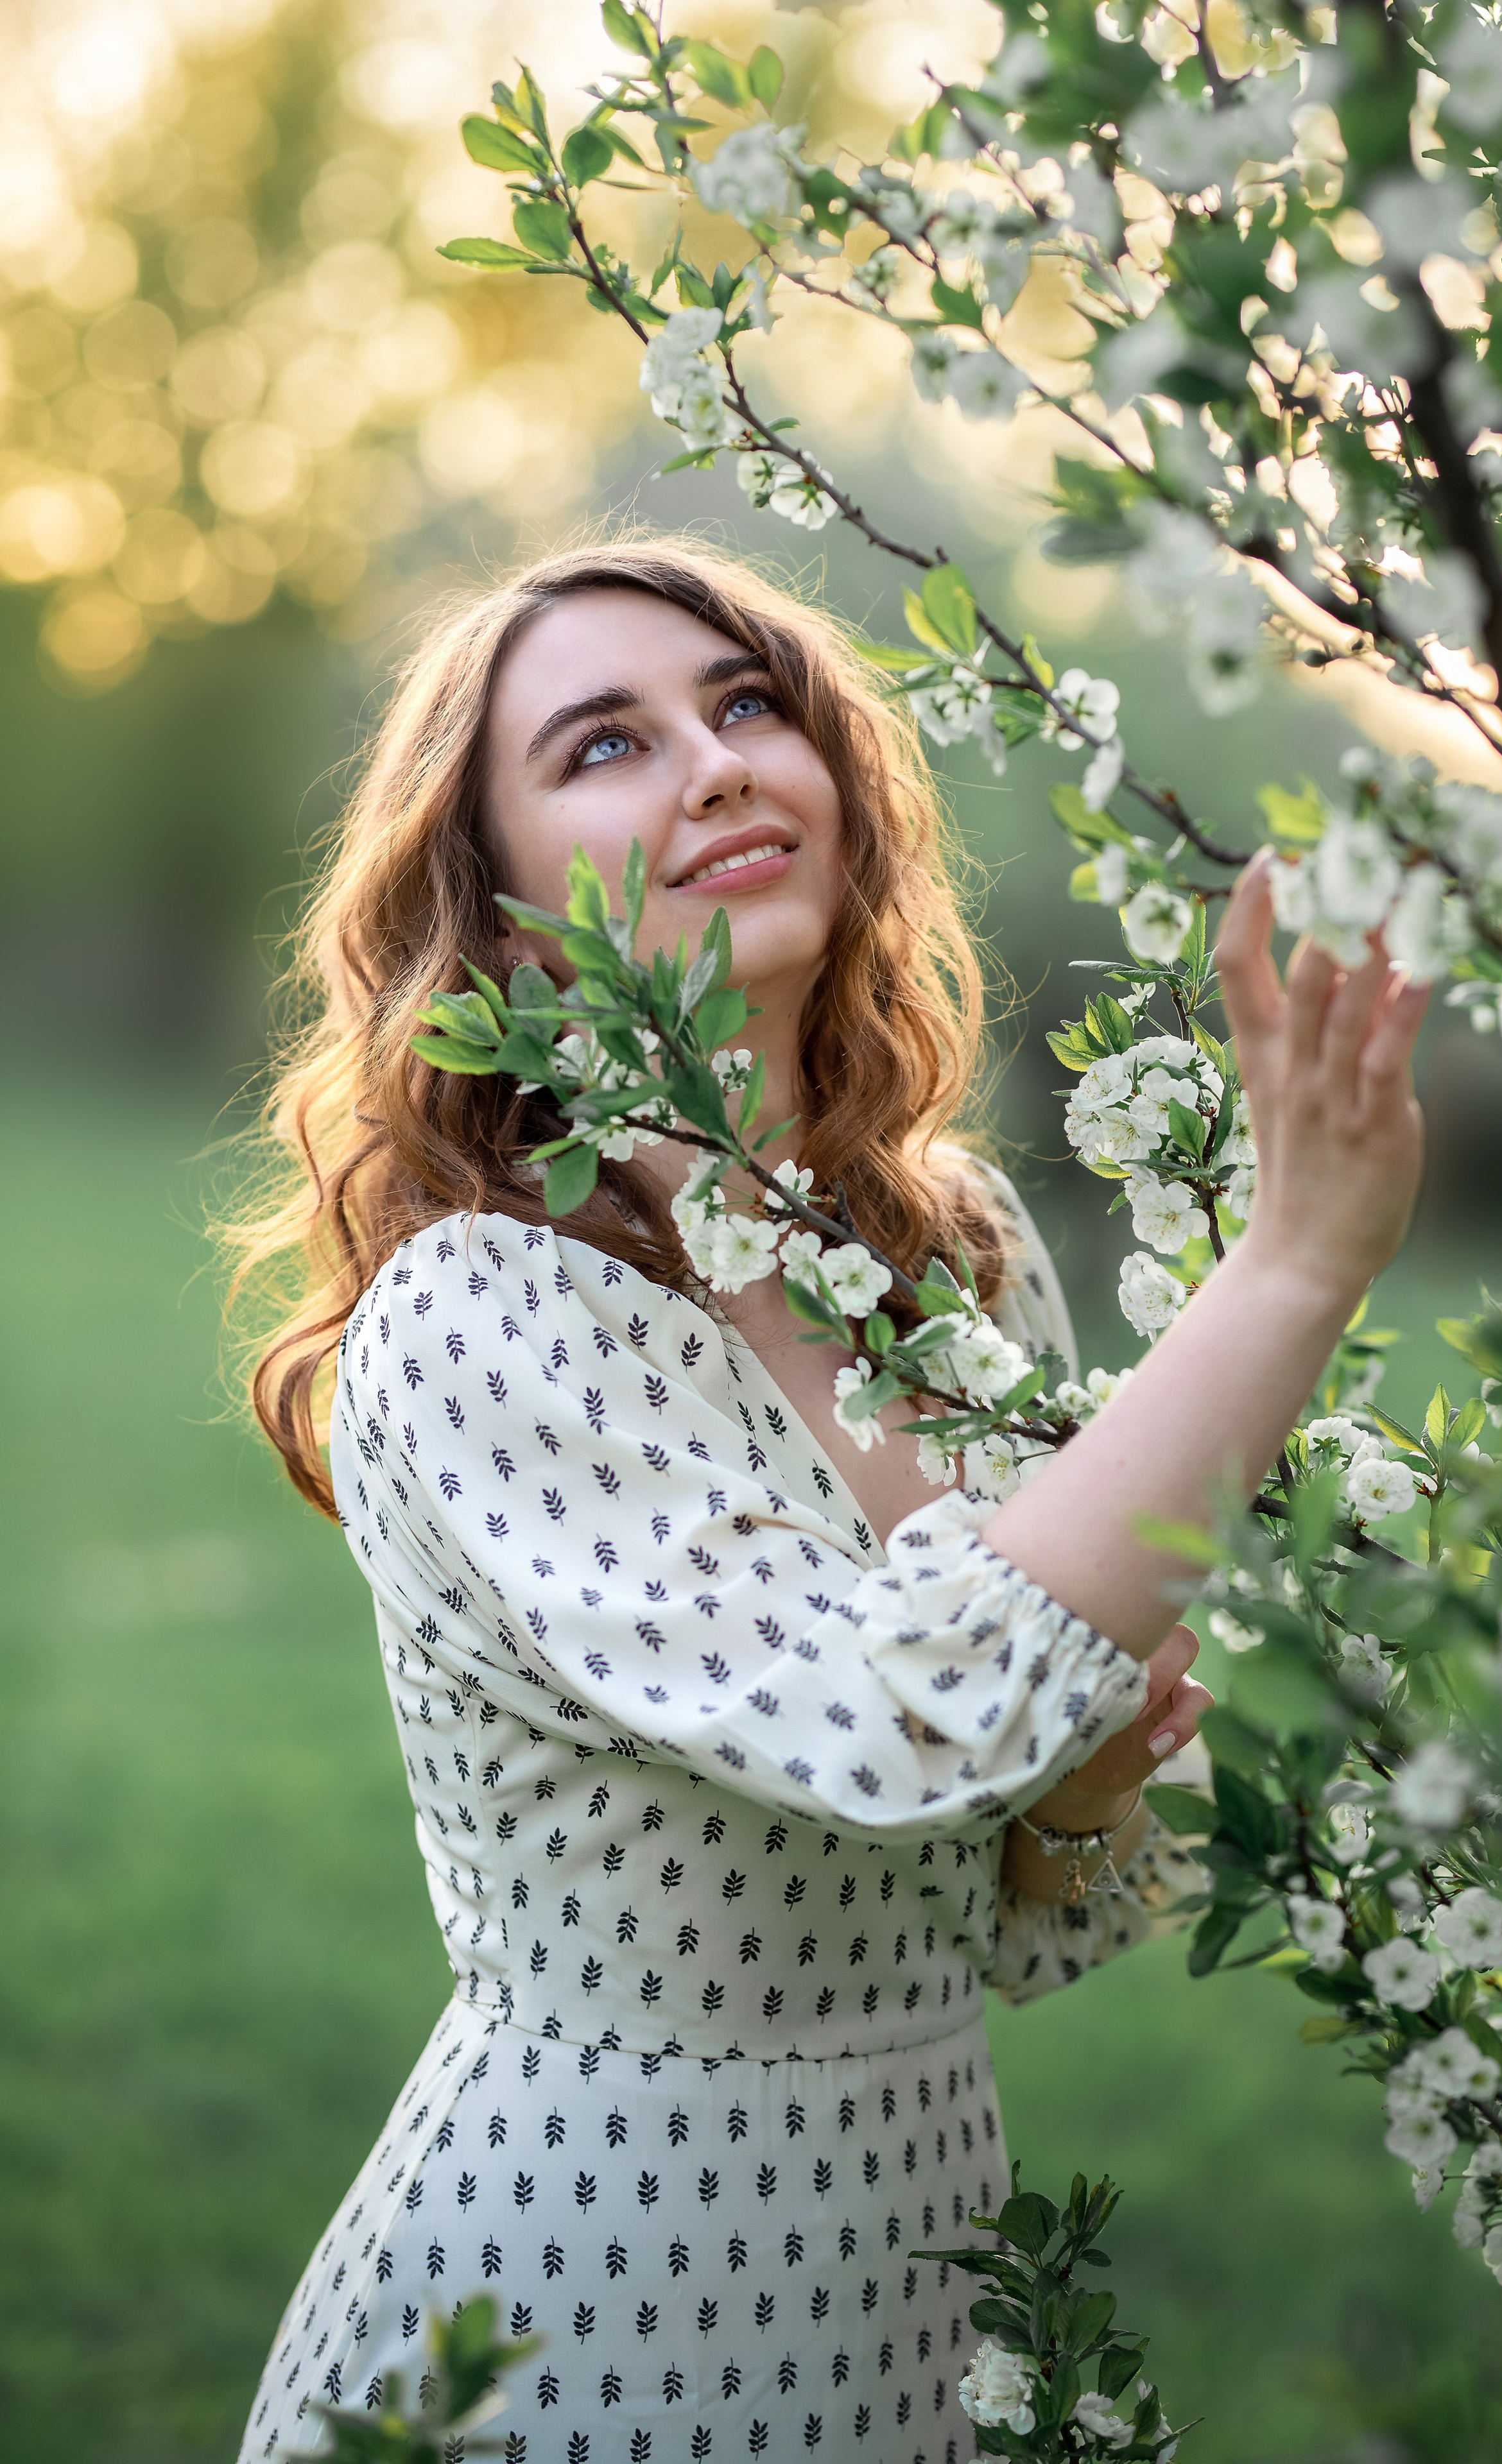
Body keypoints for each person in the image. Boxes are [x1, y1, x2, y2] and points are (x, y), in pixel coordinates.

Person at [230, 538, 1426, 2463]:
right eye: (605, 743)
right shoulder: (486, 1306)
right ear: (508, 920)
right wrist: (1290, 1270)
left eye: (748, 705)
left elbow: (1027, 1927)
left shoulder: (951, 1246)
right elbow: (894, 1714)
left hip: (919, 2279)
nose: (713, 762)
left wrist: (1089, 1794)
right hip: (585, 2299)